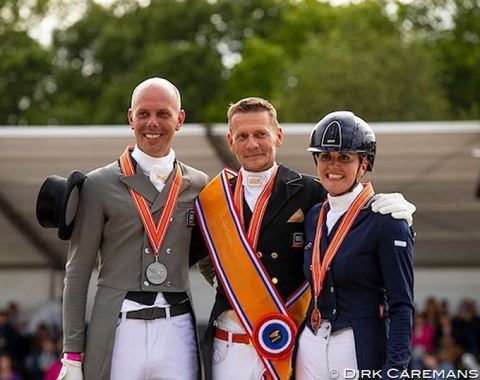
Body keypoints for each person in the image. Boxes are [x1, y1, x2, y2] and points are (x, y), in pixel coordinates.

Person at [195, 98, 416, 380]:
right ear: (230, 140)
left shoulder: (310, 192)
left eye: (261, 134)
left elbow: (351, 205)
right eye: (243, 136)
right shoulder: (215, 198)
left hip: (286, 340)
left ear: (278, 135)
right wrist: (227, 282)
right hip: (230, 342)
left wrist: (391, 204)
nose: (252, 144)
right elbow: (201, 251)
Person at [37, 77, 209, 379]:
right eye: (143, 113)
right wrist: (72, 356)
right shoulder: (98, 184)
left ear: (179, 119)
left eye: (163, 114)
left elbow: (210, 259)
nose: (152, 123)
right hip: (119, 329)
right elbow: (77, 274)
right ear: (131, 117)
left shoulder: (198, 183)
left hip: (177, 328)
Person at [294, 111, 414, 379]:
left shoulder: (388, 220)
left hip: (358, 347)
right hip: (310, 347)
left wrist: (395, 370)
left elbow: (401, 305)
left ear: (363, 164)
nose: (333, 166)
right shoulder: (314, 215)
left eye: (344, 158)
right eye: (325, 156)